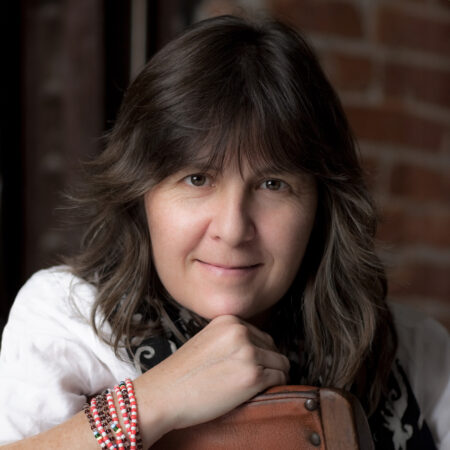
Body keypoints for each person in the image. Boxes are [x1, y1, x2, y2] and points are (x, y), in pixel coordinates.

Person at [0, 15, 448, 450]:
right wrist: (155, 399)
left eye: (273, 185)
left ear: (322, 205)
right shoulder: (67, 320)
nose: (233, 229)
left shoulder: (413, 350)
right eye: (197, 179)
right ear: (141, 193)